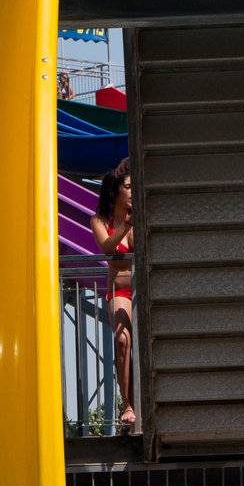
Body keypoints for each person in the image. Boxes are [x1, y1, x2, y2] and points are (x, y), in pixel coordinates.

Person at [91, 158, 136, 428]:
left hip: (143, 288)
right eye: (128, 186)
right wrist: (126, 226)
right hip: (119, 288)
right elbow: (108, 248)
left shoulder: (141, 214)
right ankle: (128, 403)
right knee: (122, 340)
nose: (132, 191)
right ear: (116, 190)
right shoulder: (99, 220)